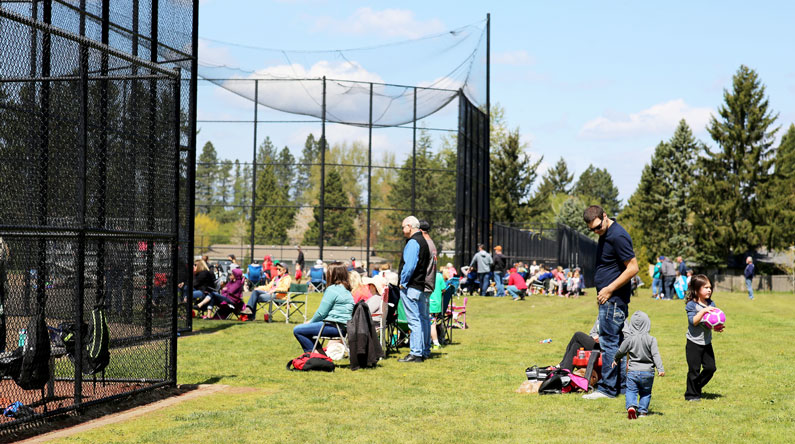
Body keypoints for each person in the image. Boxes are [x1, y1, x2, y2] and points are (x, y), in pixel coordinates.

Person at [582, 205, 639, 400]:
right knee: (618, 343)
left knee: (608, 343)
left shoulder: (617, 235)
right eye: (592, 230)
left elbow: (633, 268)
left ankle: (606, 389)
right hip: (609, 298)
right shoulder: (606, 234)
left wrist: (609, 289)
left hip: (612, 299)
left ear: (605, 216)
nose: (596, 232)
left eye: (598, 227)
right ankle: (621, 386)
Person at [613, 311, 665, 419]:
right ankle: (642, 412)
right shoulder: (651, 340)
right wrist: (660, 369)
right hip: (648, 372)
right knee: (646, 393)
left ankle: (631, 407)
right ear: (647, 324)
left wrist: (616, 359)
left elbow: (621, 351)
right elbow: (656, 355)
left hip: (633, 371)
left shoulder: (629, 339)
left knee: (631, 391)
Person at [293, 262, 354, 353]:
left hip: (334, 326)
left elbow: (321, 313)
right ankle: (320, 355)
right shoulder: (346, 290)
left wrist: (310, 322)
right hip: (343, 327)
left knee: (298, 330)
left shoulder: (333, 289)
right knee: (307, 330)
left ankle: (315, 357)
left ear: (332, 275)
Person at [398, 216, 432, 363]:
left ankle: (416, 353)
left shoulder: (413, 242)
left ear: (410, 226)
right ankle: (424, 350)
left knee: (414, 320)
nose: (402, 230)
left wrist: (402, 282)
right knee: (423, 319)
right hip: (421, 286)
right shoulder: (424, 241)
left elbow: (409, 266)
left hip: (411, 286)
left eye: (403, 227)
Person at [685, 274, 724, 401]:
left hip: (706, 342)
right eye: (705, 287)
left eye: (710, 287)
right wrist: (703, 311)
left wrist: (716, 327)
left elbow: (709, 322)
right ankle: (691, 395)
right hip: (693, 342)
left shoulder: (711, 303)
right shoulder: (691, 305)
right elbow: (693, 321)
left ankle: (696, 387)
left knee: (710, 368)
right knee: (694, 370)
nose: (709, 290)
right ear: (696, 290)